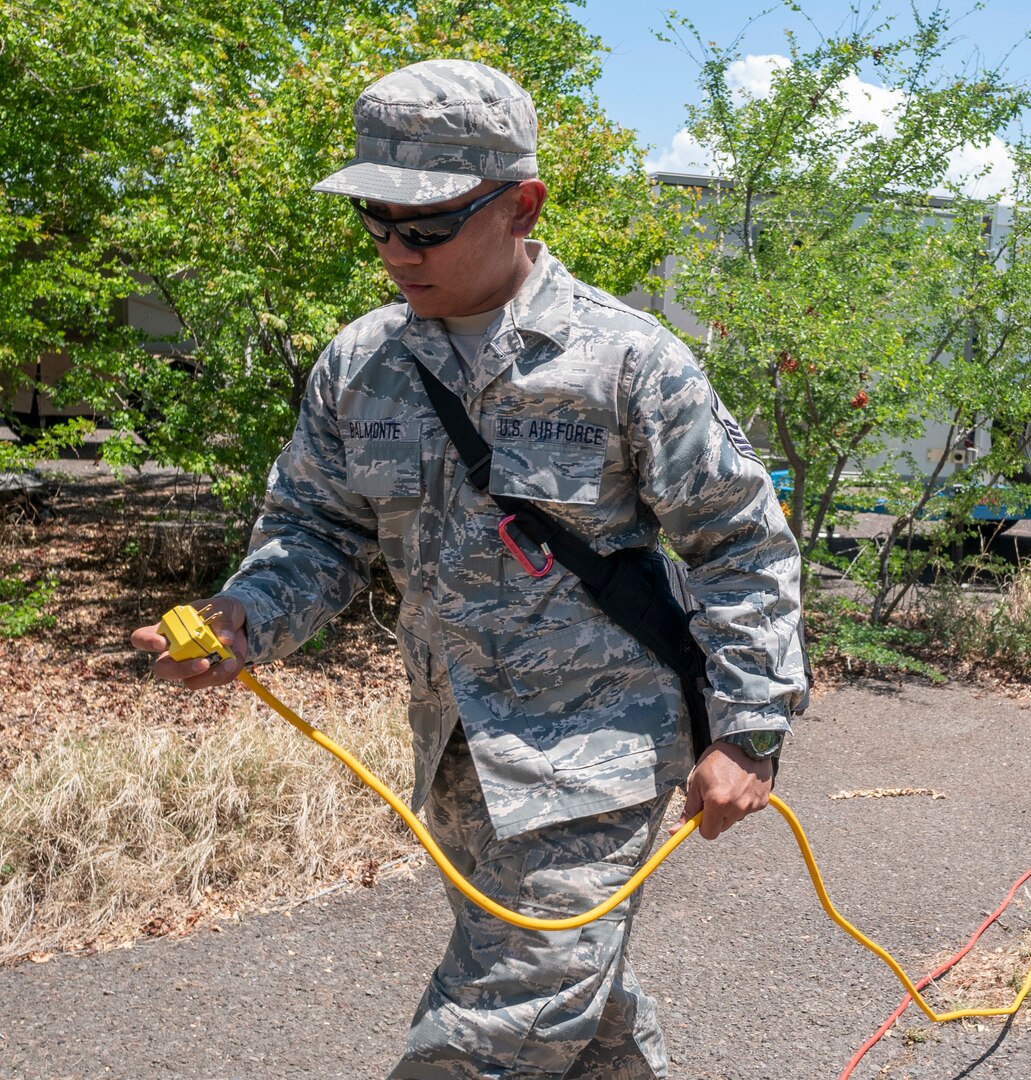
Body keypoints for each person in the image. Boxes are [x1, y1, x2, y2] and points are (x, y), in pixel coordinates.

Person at [130, 59, 807, 1079]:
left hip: (600, 758)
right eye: (374, 219)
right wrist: (243, 621)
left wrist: (750, 731)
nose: (395, 250)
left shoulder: (629, 363)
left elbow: (739, 543)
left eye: (428, 223)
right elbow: (316, 528)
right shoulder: (361, 366)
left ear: (522, 203)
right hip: (452, 749)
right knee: (575, 1011)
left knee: (488, 1034)